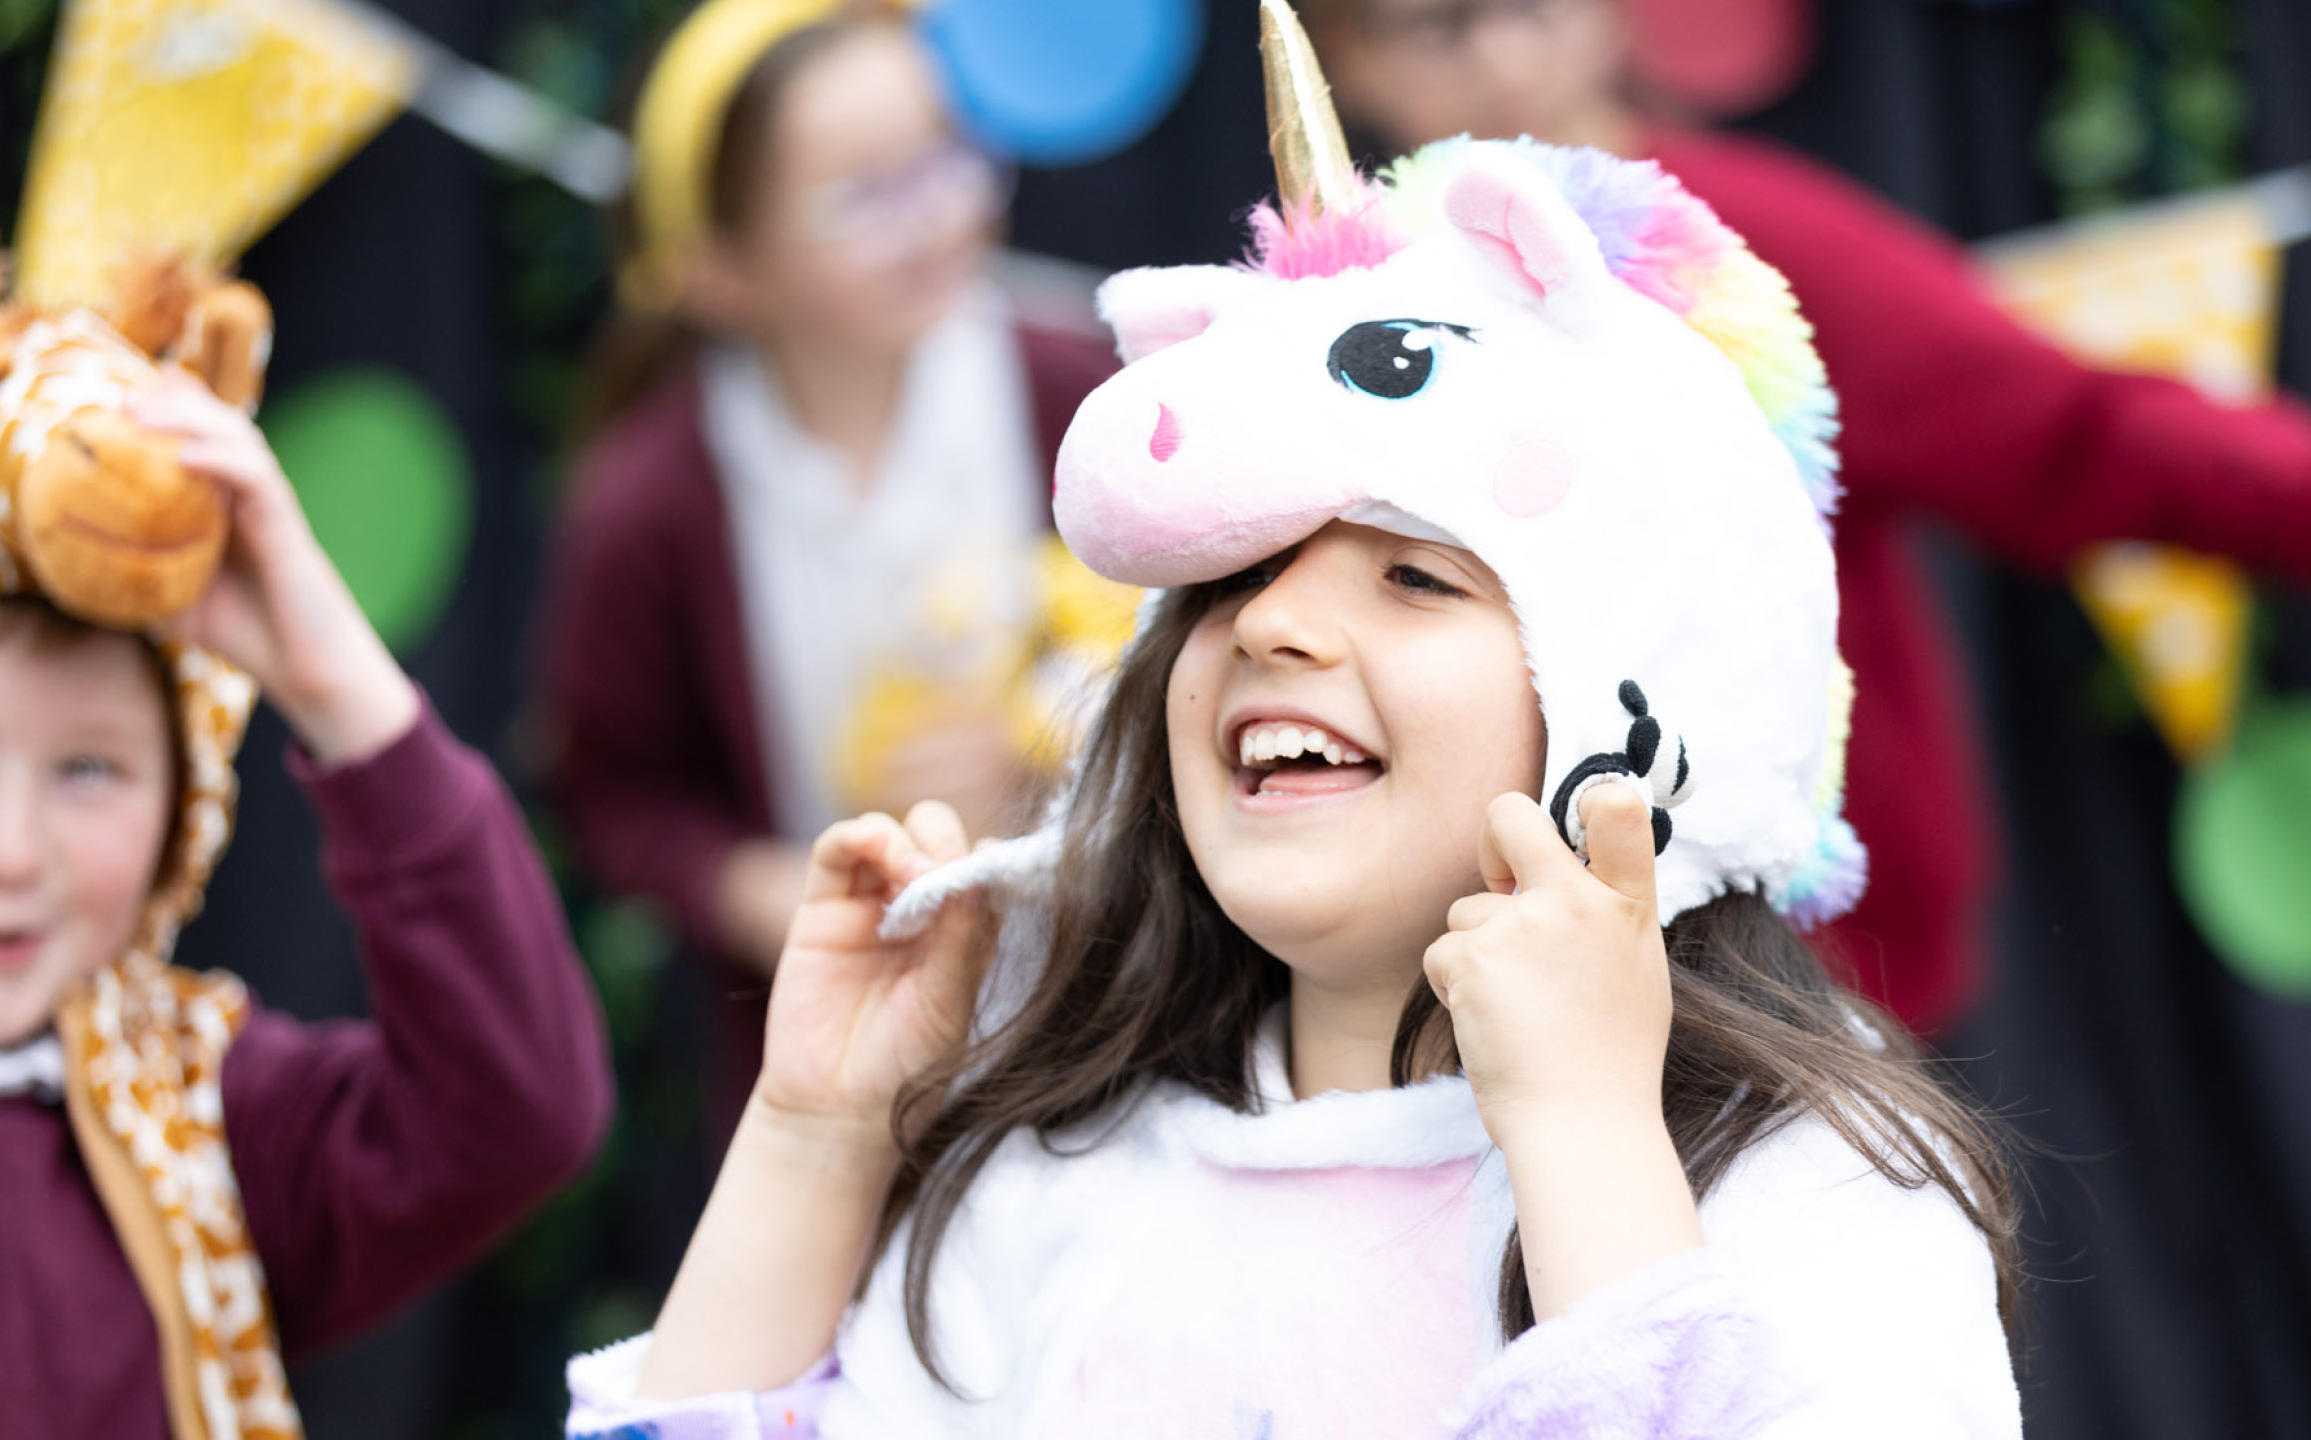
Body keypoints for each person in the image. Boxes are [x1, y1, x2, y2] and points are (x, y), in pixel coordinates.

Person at [561, 11, 2023, 1433]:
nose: (1269, 623)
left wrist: (1586, 1144)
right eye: (1235, 574)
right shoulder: (1046, 1177)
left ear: (1632, 690)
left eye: (1412, 573)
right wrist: (815, 1138)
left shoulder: (1814, 1183)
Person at [1300, 0, 2311, 1035]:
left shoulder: (1746, 246)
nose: (1503, 51)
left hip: (1799, 961)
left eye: (1532, 5)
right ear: (1342, 61)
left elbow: (2071, 434)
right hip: (1451, 952)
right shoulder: (1322, 300)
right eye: (1432, 25)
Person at [0, 230, 610, 1437]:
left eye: (90, 770)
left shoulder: (208, 1109)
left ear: (185, 809)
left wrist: (334, 683)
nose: (6, 850)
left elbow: (517, 1109)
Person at [537, 0, 1119, 1143]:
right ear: (717, 270)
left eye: (948, 157)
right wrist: (753, 888)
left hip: (1094, 1002)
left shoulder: (1078, 389)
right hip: (841, 1055)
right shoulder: (651, 502)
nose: (936, 216)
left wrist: (1054, 734)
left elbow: (1185, 642)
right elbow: (611, 786)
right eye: (861, 195)